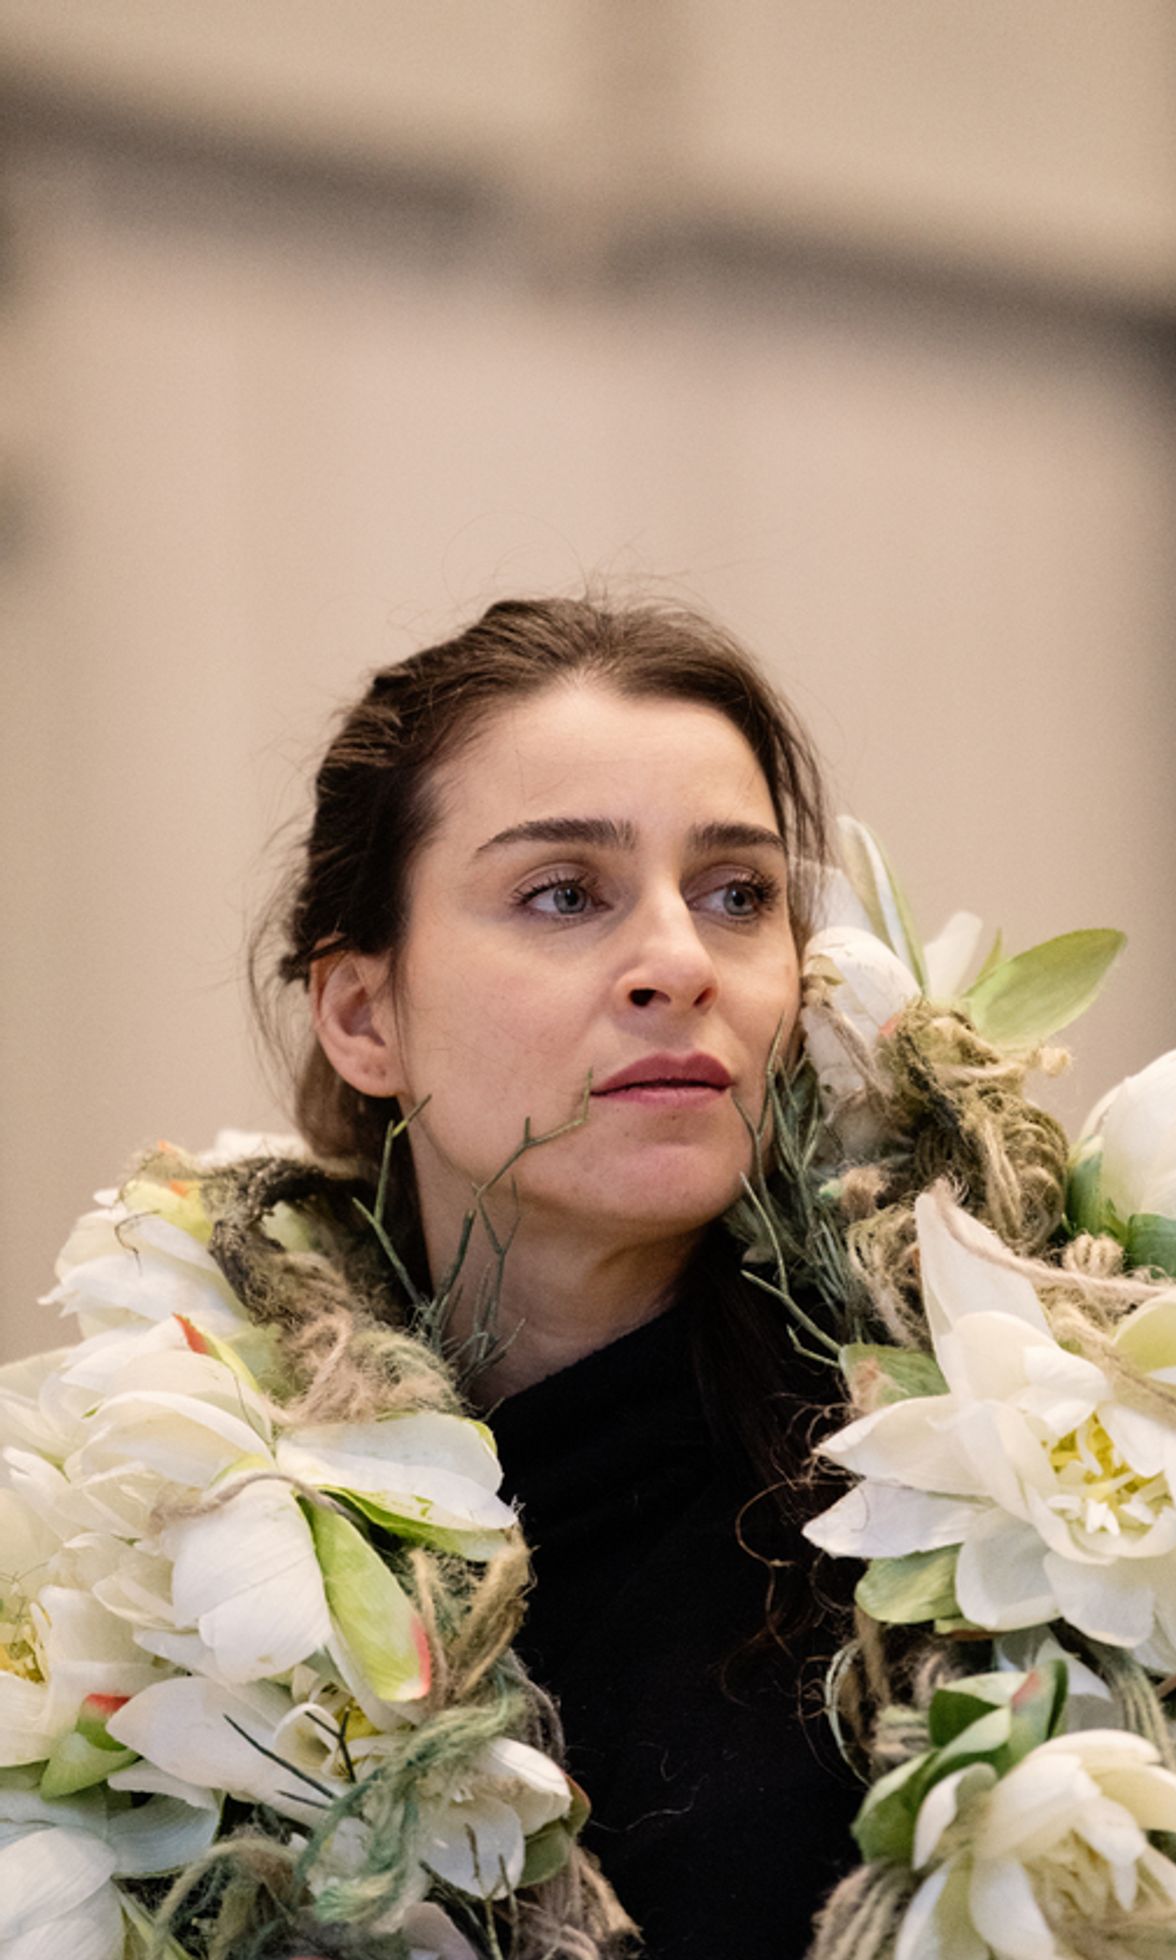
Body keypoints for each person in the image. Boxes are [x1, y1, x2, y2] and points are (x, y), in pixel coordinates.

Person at [256, 595, 862, 1958]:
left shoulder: (959, 1497)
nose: (677, 964)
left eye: (737, 896)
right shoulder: (185, 1532)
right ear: (364, 1014)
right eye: (566, 895)